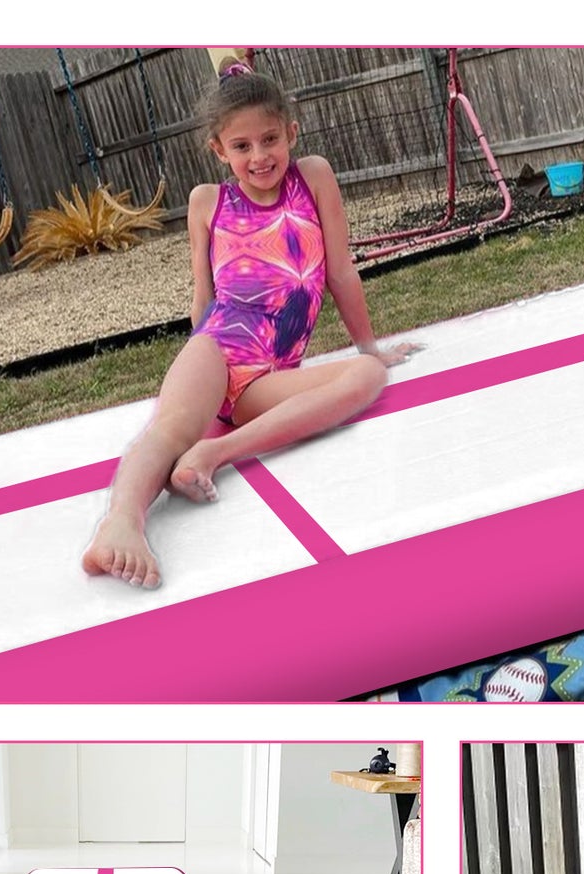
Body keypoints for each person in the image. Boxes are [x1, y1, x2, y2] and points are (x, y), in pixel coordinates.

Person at [82, 63, 419, 588]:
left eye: (269, 140)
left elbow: (340, 270)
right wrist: (195, 375)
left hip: (266, 379)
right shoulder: (207, 201)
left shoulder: (313, 177)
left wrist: (368, 346)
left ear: (292, 132)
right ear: (219, 150)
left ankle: (215, 454)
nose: (259, 157)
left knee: (366, 376)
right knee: (168, 429)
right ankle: (121, 520)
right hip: (217, 346)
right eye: (241, 147)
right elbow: (204, 295)